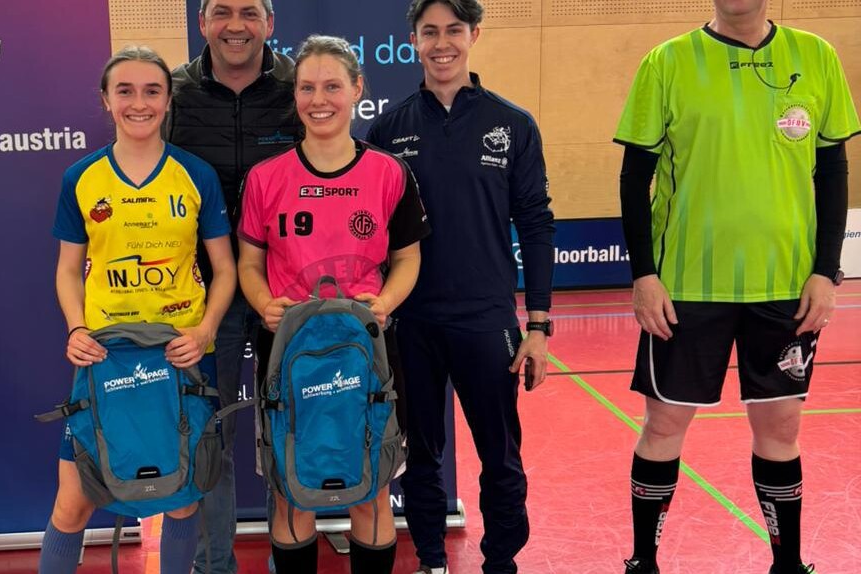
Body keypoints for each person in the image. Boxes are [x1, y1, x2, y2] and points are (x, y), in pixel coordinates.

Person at [614, 1, 858, 572]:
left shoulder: (816, 56)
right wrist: (644, 275)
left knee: (781, 427)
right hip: (686, 286)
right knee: (663, 424)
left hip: (785, 286)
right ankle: (643, 562)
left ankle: (787, 564)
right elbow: (634, 177)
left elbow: (832, 170)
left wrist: (826, 269)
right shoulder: (667, 62)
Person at [365, 1, 555, 572]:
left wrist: (539, 325)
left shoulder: (512, 124)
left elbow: (536, 223)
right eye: (430, 32)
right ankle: (430, 560)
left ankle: (501, 562)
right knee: (421, 457)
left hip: (486, 320)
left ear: (474, 34)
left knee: (501, 458)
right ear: (413, 40)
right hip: (412, 323)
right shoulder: (388, 129)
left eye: (453, 30)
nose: (442, 43)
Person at [237, 34, 430, 574]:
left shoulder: (389, 173)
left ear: (357, 89)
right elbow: (249, 264)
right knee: (290, 489)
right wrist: (264, 303)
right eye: (306, 88)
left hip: (366, 351)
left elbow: (408, 258)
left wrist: (384, 302)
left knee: (369, 487)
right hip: (287, 352)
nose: (318, 100)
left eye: (331, 86)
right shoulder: (265, 178)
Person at [40, 45, 236, 574]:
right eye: (124, 91)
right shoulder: (81, 177)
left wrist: (205, 330)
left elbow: (225, 268)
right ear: (106, 100)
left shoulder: (195, 174)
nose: (139, 103)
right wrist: (76, 328)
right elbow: (67, 270)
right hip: (106, 358)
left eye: (152, 91)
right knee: (73, 502)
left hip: (180, 357)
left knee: (183, 498)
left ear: (168, 100)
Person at [168, 1, 302, 570]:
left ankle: (288, 561)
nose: (236, 25)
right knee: (208, 436)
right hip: (205, 297)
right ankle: (212, 565)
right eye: (221, 12)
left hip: (289, 292)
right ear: (202, 23)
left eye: (250, 12)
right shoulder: (174, 93)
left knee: (291, 429)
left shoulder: (300, 88)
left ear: (270, 23)